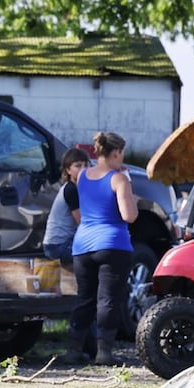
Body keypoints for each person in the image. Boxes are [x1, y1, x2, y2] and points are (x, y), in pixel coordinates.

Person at [65, 131, 137, 366]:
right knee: (108, 299)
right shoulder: (119, 179)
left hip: (83, 244)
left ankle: (74, 350)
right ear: (116, 152)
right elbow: (130, 215)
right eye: (121, 154)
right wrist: (130, 190)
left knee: (84, 298)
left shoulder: (83, 175)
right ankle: (104, 352)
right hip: (112, 243)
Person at [43, 147, 90, 263]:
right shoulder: (71, 190)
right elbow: (83, 222)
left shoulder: (79, 188)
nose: (83, 169)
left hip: (67, 241)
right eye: (78, 166)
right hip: (57, 246)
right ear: (68, 170)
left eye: (86, 165)